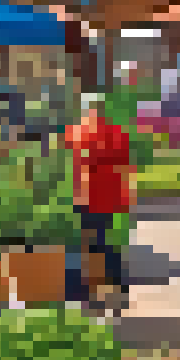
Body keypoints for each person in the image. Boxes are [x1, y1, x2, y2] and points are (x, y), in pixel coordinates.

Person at [63, 95, 134, 315]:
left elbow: (80, 166)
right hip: (110, 198)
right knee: (103, 241)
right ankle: (117, 285)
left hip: (88, 198)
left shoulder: (78, 132)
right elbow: (124, 165)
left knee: (89, 244)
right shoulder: (116, 133)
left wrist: (79, 195)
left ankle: (82, 291)